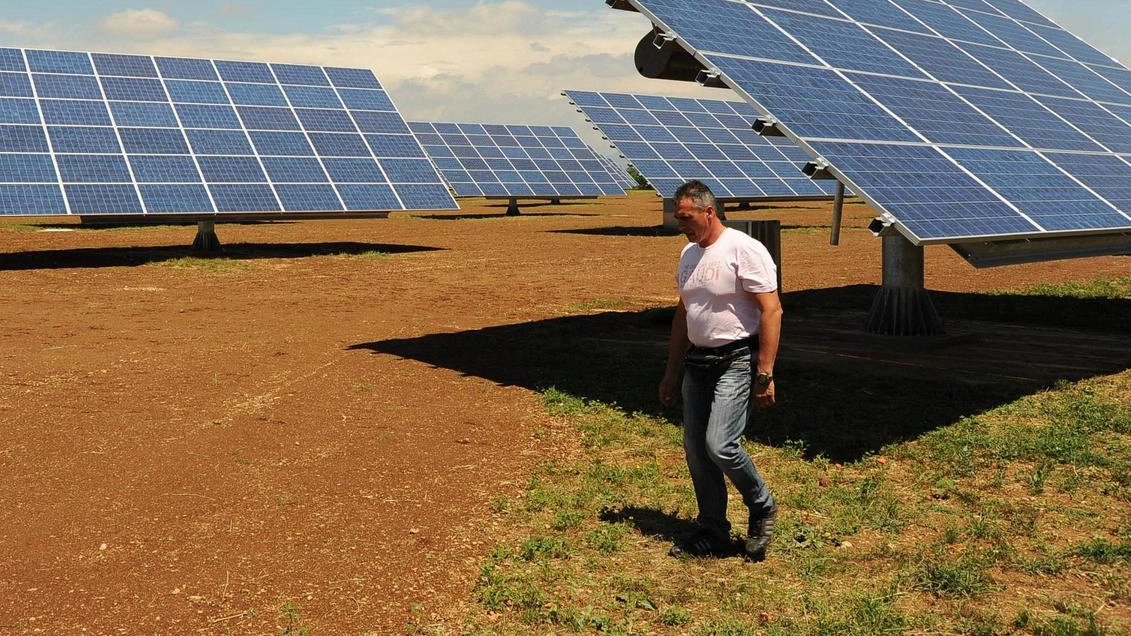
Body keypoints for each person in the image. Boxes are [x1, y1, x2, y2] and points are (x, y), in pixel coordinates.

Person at [658, 180, 782, 561]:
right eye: (677, 217)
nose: (680, 224)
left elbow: (771, 310)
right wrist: (671, 372)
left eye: (686, 217)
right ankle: (712, 528)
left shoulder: (743, 249)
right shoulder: (688, 254)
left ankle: (762, 506)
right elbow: (684, 315)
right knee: (696, 450)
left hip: (736, 360)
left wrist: (765, 372)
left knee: (721, 445)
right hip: (698, 362)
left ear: (708, 211)